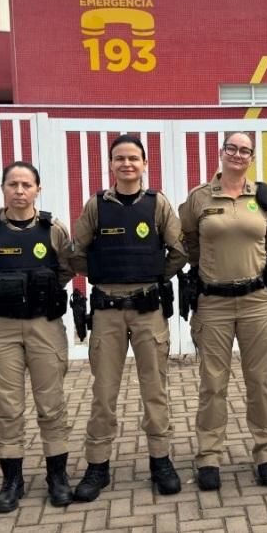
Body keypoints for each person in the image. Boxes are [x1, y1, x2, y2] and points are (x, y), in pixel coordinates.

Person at [69, 135, 187, 499]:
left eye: (133, 158)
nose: (126, 164)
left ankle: (160, 460)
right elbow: (77, 252)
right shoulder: (95, 206)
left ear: (144, 164)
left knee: (155, 390)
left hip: (148, 309)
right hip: (106, 309)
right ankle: (97, 466)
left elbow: (178, 251)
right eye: (119, 158)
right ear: (110, 164)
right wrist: (106, 275)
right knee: (103, 392)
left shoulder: (158, 204)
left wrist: (153, 277)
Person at [179, 131, 267, 491]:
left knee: (260, 382)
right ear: (221, 152)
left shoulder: (265, 199)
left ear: (251, 157)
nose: (238, 155)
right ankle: (209, 456)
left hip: (256, 300)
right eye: (232, 148)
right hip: (214, 303)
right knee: (212, 384)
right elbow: (189, 242)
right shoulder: (199, 198)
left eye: (245, 150)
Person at [0, 161, 75, 513]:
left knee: (51, 404)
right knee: (8, 407)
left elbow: (66, 268)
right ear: (3, 189)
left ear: (37, 189)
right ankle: (12, 480)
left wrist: (39, 292)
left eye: (26, 184)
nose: (19, 190)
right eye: (12, 184)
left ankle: (57, 477)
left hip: (44, 324)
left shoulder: (53, 228)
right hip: (2, 326)